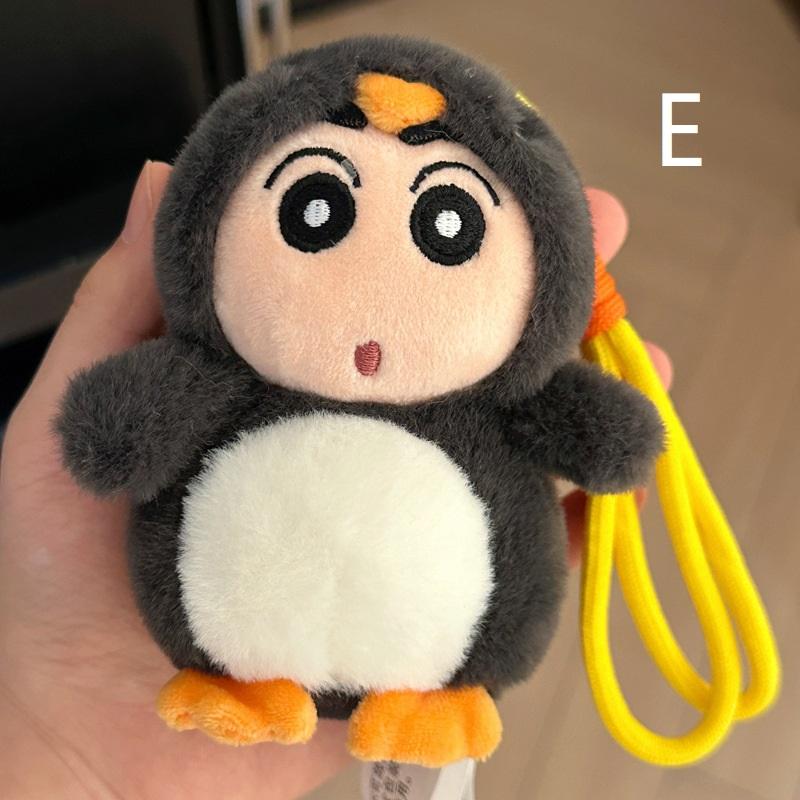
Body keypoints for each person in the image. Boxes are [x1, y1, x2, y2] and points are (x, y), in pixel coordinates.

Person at [0, 161, 671, 799]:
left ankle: (430, 701)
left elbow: (607, 437)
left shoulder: (501, 390)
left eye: (447, 225)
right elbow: (109, 435)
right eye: (314, 211)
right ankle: (244, 687)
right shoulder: (224, 366)